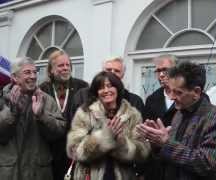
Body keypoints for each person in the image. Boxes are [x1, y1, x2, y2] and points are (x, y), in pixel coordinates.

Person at [137, 61, 216, 180]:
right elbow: (170, 159)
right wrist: (157, 144)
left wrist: (166, 144)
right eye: (170, 91)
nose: (171, 97)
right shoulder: (179, 114)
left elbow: (207, 164)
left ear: (196, 92)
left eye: (178, 92)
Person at [66, 71, 150, 180]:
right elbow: (73, 149)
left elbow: (142, 152)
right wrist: (104, 138)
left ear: (118, 88)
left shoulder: (132, 115)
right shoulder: (85, 113)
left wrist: (120, 142)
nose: (106, 90)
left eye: (110, 86)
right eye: (101, 88)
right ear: (96, 92)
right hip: (89, 175)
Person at [0, 57, 66, 180]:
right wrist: (13, 113)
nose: (33, 76)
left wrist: (42, 116)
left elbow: (60, 132)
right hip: (9, 173)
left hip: (38, 173)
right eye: (27, 72)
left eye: (35, 72)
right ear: (14, 77)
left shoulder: (46, 100)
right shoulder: (2, 100)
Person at [39, 50, 88, 180]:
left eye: (68, 65)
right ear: (51, 70)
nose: (66, 68)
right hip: (49, 152)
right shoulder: (42, 89)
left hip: (74, 152)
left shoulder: (82, 87)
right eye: (61, 66)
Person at [72, 56, 144, 116]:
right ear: (102, 72)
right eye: (108, 70)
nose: (112, 73)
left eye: (117, 71)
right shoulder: (83, 95)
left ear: (123, 75)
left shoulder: (134, 101)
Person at [143, 54, 177, 180]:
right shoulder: (152, 99)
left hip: (181, 162)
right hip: (157, 166)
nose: (161, 75)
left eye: (165, 70)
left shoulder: (187, 96)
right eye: (158, 71)